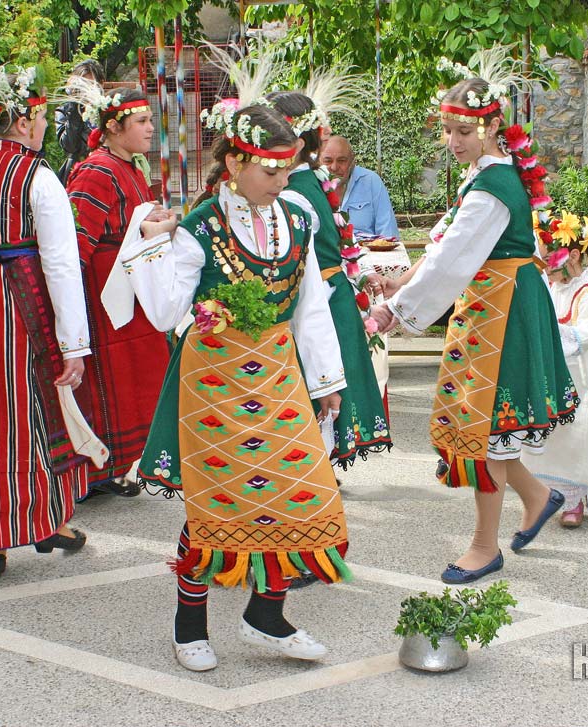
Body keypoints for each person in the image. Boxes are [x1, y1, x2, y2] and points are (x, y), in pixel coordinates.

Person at [124, 100, 351, 672]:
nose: (281, 181)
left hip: (277, 373)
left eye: (287, 169)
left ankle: (265, 615)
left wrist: (327, 380)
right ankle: (189, 624)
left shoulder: (298, 219)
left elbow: (311, 307)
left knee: (299, 491)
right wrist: (151, 243)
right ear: (233, 162)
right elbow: (164, 311)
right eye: (269, 170)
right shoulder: (198, 228)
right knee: (217, 505)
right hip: (215, 380)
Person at [369, 49, 578, 585]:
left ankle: (485, 547)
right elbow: (445, 241)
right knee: (490, 427)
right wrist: (405, 280)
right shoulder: (490, 175)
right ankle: (536, 496)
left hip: (501, 312)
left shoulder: (491, 187)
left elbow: (453, 257)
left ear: (490, 128)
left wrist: (397, 309)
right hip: (494, 305)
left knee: (484, 429)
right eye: (448, 129)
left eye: (464, 130)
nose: (454, 141)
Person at [0, 51, 95, 580]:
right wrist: (74, 342)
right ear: (24, 118)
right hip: (19, 302)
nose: (46, 126)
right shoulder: (37, 174)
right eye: (44, 117)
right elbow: (60, 262)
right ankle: (41, 521)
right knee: (30, 410)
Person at [269, 90, 392, 470]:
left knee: (312, 383)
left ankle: (312, 471)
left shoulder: (292, 194)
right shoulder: (314, 182)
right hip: (331, 291)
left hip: (316, 298)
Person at [66, 82, 168, 498]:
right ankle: (96, 469)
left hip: (129, 289)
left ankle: (121, 464)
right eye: (142, 121)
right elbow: (75, 243)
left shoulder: (130, 166)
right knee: (111, 383)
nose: (149, 129)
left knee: (137, 377)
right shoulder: (95, 171)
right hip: (106, 295)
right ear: (113, 125)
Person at [526, 213, 588, 526]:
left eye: (549, 258)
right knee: (560, 439)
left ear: (574, 255)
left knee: (583, 435)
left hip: (585, 380)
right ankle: (557, 492)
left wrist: (552, 337)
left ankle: (578, 499)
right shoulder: (553, 287)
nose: (545, 265)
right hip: (559, 378)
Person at [320, 135, 399, 240]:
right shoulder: (311, 185)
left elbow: (388, 234)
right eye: (328, 161)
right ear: (318, 161)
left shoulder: (371, 182)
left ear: (353, 161)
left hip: (369, 254)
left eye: (341, 160)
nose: (334, 167)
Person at [55, 59, 104, 185]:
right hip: (77, 172)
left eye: (90, 84)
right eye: (82, 85)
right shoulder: (65, 111)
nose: (86, 90)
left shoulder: (107, 107)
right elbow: (70, 146)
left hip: (106, 168)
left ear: (101, 84)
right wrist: (75, 108)